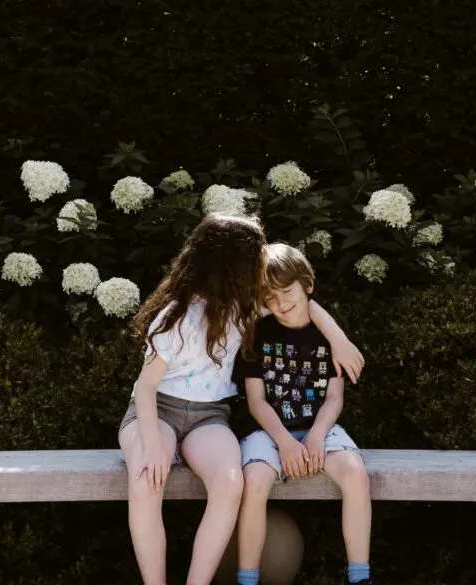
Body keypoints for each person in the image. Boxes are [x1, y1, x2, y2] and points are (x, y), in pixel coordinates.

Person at [118, 215, 365, 585]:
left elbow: (302, 302)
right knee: (146, 479)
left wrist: (339, 339)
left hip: (208, 417)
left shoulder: (244, 308)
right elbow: (147, 388)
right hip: (157, 411)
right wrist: (152, 445)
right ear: (232, 266)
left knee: (231, 483)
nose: (261, 264)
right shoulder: (177, 316)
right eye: (255, 258)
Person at [233, 243, 373, 585]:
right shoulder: (258, 334)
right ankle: (247, 579)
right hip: (269, 431)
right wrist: (284, 442)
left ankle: (360, 576)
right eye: (270, 298)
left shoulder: (327, 337)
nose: (281, 304)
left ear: (306, 285)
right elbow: (256, 402)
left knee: (356, 474)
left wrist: (317, 435)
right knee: (253, 482)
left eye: (287, 291)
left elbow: (334, 398)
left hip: (318, 426)